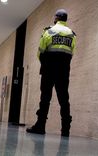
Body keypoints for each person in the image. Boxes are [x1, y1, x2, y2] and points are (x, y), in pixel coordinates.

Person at [26, 9, 76, 137]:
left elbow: (41, 51)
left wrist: (45, 64)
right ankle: (66, 129)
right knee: (64, 99)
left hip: (48, 70)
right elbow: (71, 53)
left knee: (45, 98)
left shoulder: (48, 31)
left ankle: (40, 126)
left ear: (57, 18)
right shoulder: (72, 34)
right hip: (64, 71)